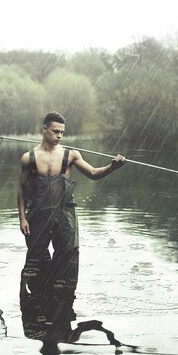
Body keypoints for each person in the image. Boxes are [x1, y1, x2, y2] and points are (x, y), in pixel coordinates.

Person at [17, 111, 125, 295]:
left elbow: (93, 173)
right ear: (44, 129)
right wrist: (22, 219)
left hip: (65, 214)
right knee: (36, 260)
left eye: (62, 132)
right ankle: (37, 303)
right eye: (55, 131)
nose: (59, 136)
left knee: (67, 257)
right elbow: (21, 190)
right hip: (38, 215)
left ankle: (62, 306)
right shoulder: (29, 158)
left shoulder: (71, 155)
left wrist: (112, 167)